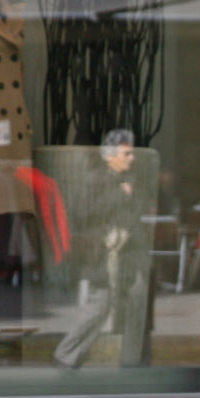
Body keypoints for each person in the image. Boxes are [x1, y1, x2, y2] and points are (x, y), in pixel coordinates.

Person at [53, 129, 151, 370]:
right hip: (102, 256)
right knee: (100, 305)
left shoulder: (132, 180)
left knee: (136, 306)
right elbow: (84, 213)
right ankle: (67, 355)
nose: (132, 158)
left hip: (129, 255)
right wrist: (120, 195)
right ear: (110, 156)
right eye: (126, 153)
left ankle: (132, 361)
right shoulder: (95, 180)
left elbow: (138, 212)